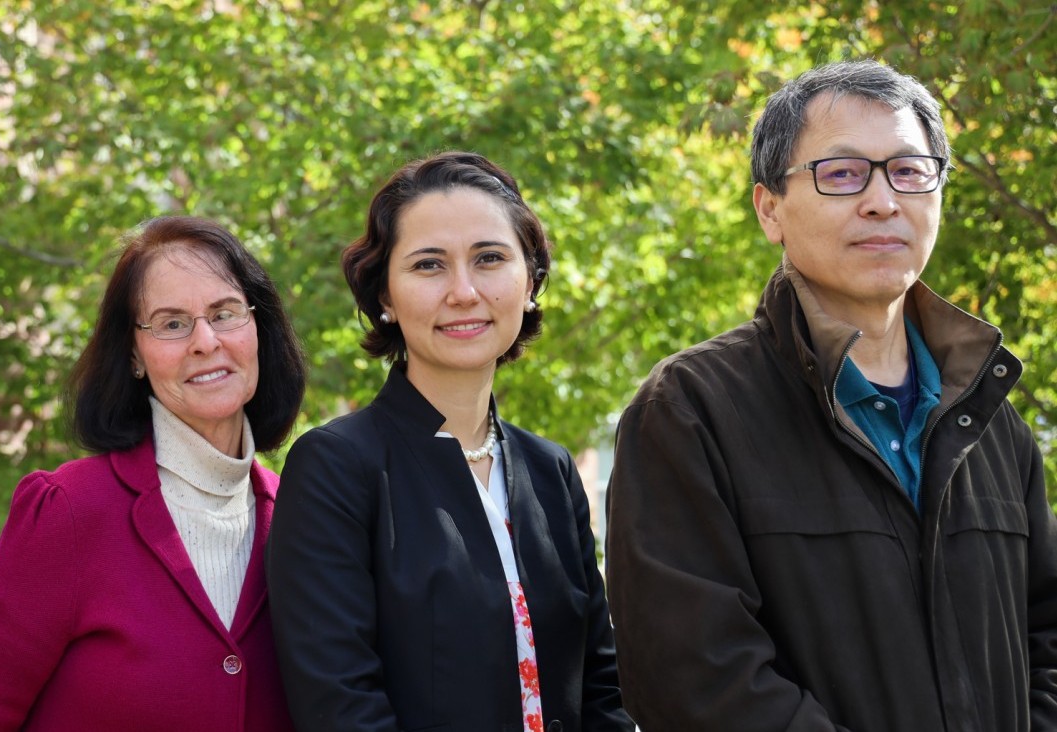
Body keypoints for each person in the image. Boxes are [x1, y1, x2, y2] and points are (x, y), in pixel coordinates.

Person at [605, 60, 1057, 731]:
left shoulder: (988, 417)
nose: (882, 200)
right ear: (769, 210)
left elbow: (1044, 643)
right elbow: (694, 682)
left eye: (908, 171)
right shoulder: (689, 410)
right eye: (842, 174)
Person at [269, 151, 632, 732]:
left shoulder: (552, 472)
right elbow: (340, 706)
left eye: (489, 259)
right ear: (385, 296)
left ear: (530, 281)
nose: (463, 292)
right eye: (428, 266)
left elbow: (600, 690)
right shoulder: (336, 467)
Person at [0, 216, 306, 731]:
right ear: (134, 354)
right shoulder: (67, 510)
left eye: (224, 313)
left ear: (257, 328)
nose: (205, 341)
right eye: (172, 323)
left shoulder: (302, 521)